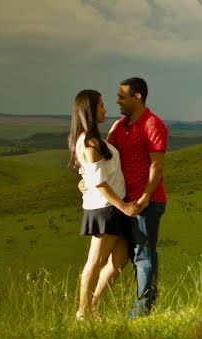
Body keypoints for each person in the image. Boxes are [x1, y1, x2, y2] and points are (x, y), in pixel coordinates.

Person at [68, 89, 140, 321]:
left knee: (120, 259)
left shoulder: (94, 141)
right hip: (106, 208)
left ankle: (93, 306)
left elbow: (92, 177)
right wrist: (125, 207)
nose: (105, 109)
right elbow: (99, 183)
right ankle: (82, 313)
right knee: (95, 262)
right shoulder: (89, 144)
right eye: (100, 106)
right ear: (89, 111)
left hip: (109, 207)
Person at [102, 76, 169, 320]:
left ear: (137, 96)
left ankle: (142, 311)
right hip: (122, 201)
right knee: (126, 256)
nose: (117, 101)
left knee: (143, 254)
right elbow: (105, 154)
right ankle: (135, 305)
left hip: (146, 202)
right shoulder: (120, 126)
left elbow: (157, 166)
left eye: (122, 96)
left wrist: (145, 197)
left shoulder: (153, 125)